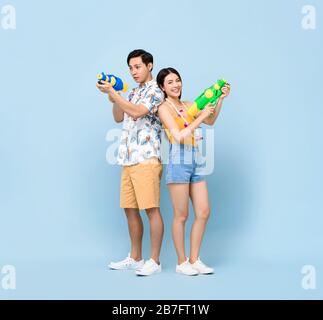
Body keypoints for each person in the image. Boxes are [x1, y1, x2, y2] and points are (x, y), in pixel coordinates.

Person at [156, 67, 230, 276]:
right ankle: (181, 262)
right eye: (169, 82)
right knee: (181, 215)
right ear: (162, 86)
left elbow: (211, 120)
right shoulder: (163, 108)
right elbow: (178, 135)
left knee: (203, 211)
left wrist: (220, 99)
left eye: (177, 80)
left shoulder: (189, 104)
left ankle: (194, 259)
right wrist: (201, 116)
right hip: (178, 160)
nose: (175, 85)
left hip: (196, 159)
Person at [96, 49, 165, 276]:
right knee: (130, 209)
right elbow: (119, 116)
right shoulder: (134, 92)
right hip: (128, 158)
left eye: (138, 67)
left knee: (151, 210)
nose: (134, 72)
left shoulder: (156, 91)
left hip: (146, 158)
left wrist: (116, 97)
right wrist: (114, 94)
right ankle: (136, 258)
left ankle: (154, 261)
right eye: (131, 68)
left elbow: (137, 112)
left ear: (150, 66)